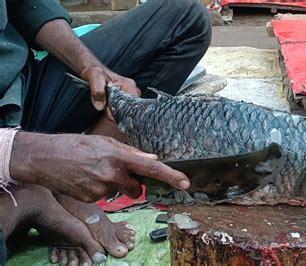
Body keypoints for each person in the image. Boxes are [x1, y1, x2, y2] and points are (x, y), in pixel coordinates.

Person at [0, 0, 211, 264]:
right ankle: (25, 201)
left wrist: (91, 67)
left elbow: (27, 6)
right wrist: (21, 153)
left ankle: (67, 187)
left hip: (16, 92)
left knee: (186, 20)